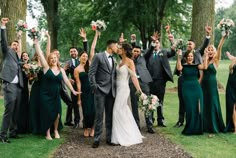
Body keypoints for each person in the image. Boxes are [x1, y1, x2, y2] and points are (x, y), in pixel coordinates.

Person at [33, 39, 78, 140]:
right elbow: (40, 54)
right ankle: (47, 132)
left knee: (57, 114)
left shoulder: (61, 70)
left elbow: (66, 81)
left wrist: (73, 91)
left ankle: (56, 130)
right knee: (47, 113)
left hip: (55, 95)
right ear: (49, 60)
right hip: (45, 95)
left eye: (55, 58)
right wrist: (36, 44)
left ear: (57, 59)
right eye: (51, 58)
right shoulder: (46, 68)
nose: (53, 59)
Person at [173, 24, 212, 128]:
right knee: (182, 99)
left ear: (194, 46)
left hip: (194, 80)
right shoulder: (183, 53)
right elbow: (179, 64)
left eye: (190, 44)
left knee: (194, 100)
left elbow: (205, 44)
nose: (188, 45)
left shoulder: (198, 52)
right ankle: (180, 121)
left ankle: (192, 121)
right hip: (182, 79)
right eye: (188, 44)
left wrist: (208, 34)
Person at [111, 43, 144, 146]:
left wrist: (140, 91)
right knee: (122, 110)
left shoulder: (130, 62)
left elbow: (134, 77)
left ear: (125, 50)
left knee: (117, 110)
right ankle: (123, 133)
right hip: (116, 88)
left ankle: (122, 136)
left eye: (120, 48)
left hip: (124, 89)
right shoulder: (120, 61)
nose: (119, 50)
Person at [89, 40, 118, 148]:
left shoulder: (114, 59)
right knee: (99, 116)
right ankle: (96, 139)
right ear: (111, 46)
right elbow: (91, 73)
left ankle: (109, 139)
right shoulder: (98, 56)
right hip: (100, 91)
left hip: (111, 92)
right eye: (116, 46)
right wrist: (94, 87)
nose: (117, 48)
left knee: (110, 116)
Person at [144, 31, 176, 127]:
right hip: (150, 81)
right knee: (150, 100)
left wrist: (172, 40)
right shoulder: (148, 53)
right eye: (154, 42)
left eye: (157, 42)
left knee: (160, 101)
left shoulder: (164, 52)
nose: (156, 44)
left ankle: (160, 120)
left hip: (161, 81)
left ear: (160, 45)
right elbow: (145, 55)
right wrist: (152, 44)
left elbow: (173, 52)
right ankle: (151, 119)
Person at [0, 18, 24, 143]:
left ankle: (13, 132)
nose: (16, 46)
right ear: (10, 46)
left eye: (17, 45)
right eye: (14, 45)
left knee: (16, 111)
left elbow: (19, 47)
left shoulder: (17, 56)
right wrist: (3, 26)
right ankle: (2, 135)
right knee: (9, 111)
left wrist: (19, 36)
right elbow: (3, 41)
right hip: (9, 85)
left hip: (18, 86)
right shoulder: (7, 52)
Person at [176, 50, 206, 135]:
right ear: (186, 58)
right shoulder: (184, 66)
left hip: (196, 88)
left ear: (193, 58)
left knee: (198, 107)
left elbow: (204, 67)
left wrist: (206, 57)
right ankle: (189, 127)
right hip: (186, 88)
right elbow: (179, 68)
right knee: (189, 108)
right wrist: (179, 57)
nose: (190, 58)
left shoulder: (197, 66)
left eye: (191, 56)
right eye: (188, 56)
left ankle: (198, 128)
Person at [74, 30, 98, 137]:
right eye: (83, 56)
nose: (85, 57)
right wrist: (79, 98)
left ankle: (92, 128)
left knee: (93, 111)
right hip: (84, 92)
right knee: (86, 111)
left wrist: (96, 34)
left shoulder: (90, 64)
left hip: (93, 90)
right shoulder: (77, 69)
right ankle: (86, 127)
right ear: (79, 57)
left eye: (86, 56)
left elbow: (92, 49)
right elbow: (78, 84)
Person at [202, 34, 226, 133]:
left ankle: (214, 126)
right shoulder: (206, 60)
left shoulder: (216, 60)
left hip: (212, 86)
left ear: (215, 52)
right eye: (209, 49)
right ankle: (205, 126)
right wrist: (206, 57)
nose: (211, 51)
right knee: (205, 104)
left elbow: (220, 47)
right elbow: (204, 68)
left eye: (212, 50)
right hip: (204, 85)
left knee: (212, 104)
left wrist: (223, 37)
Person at [64, 28, 88, 128]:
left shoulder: (83, 60)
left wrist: (84, 40)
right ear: (70, 53)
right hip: (74, 87)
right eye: (71, 51)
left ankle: (86, 122)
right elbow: (64, 74)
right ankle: (77, 121)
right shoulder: (68, 63)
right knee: (75, 105)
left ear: (77, 52)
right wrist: (68, 79)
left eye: (74, 51)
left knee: (85, 104)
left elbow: (86, 51)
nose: (73, 52)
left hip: (84, 85)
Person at [17, 52, 30, 134]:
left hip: (27, 89)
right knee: (20, 108)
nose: (25, 57)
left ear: (28, 57)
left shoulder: (31, 66)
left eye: (26, 56)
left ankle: (26, 127)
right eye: (23, 56)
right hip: (20, 89)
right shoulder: (19, 66)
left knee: (26, 108)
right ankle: (19, 127)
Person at [225, 51, 236, 133]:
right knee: (231, 107)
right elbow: (231, 57)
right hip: (231, 86)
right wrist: (228, 55)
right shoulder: (234, 60)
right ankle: (233, 127)